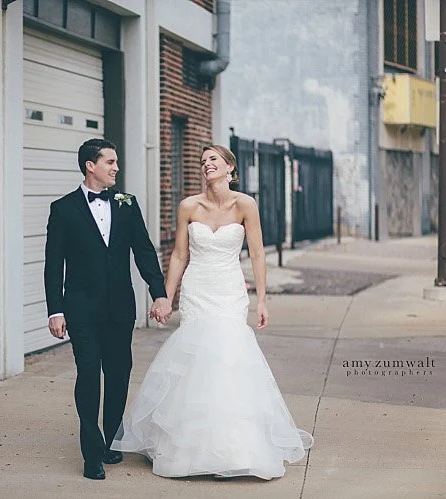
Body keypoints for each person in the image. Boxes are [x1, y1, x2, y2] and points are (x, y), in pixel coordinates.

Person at [110, 144, 313, 479]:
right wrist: (166, 297)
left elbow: (258, 253)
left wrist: (262, 300)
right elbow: (179, 255)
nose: (206, 164)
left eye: (213, 159)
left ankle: (235, 447)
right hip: (198, 289)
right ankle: (189, 447)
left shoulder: (246, 205)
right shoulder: (189, 206)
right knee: (197, 358)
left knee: (229, 357)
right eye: (203, 161)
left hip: (230, 290)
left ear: (230, 167)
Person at [44, 138, 171, 480]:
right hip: (81, 309)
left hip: (119, 308)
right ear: (91, 165)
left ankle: (112, 439)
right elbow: (53, 264)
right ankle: (91, 454)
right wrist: (55, 311)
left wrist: (159, 293)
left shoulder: (127, 204)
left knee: (118, 374)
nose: (116, 167)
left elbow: (144, 251)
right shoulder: (63, 209)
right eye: (110, 162)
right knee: (88, 375)